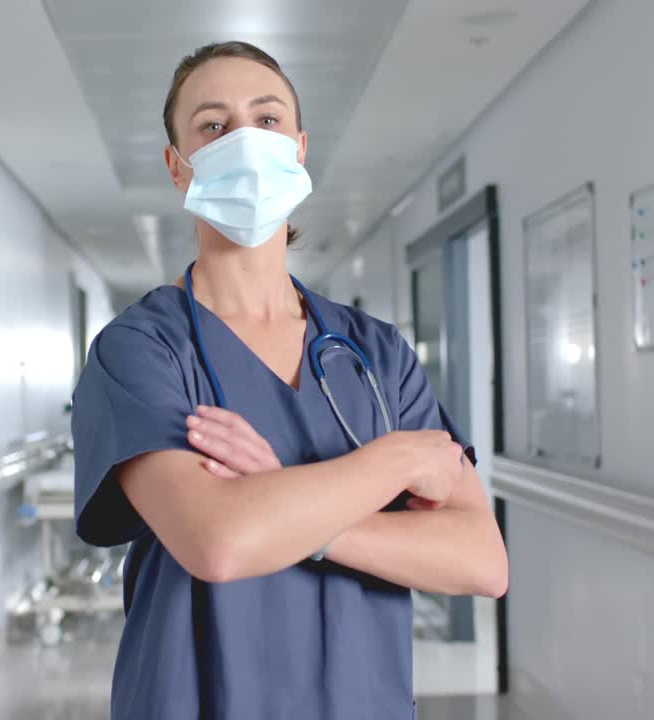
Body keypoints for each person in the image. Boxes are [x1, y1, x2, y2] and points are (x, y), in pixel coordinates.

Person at [71, 41, 508, 720]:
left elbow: (481, 559)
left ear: (299, 148)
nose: (244, 141)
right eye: (213, 126)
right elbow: (218, 543)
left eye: (267, 119)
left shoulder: (374, 353)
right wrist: (393, 462)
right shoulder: (141, 349)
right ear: (177, 166)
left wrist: (299, 512)